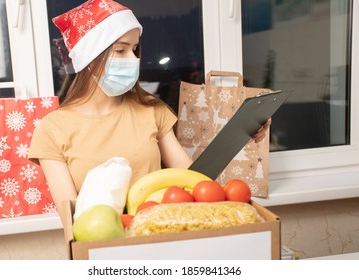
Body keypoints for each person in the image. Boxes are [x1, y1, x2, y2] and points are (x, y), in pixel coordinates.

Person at [28, 0, 269, 226]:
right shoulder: (52, 129)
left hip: (159, 232)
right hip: (102, 248)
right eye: (121, 50)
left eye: (135, 49)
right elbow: (71, 219)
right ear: (89, 59)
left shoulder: (151, 110)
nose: (133, 59)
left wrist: (242, 132)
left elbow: (193, 179)